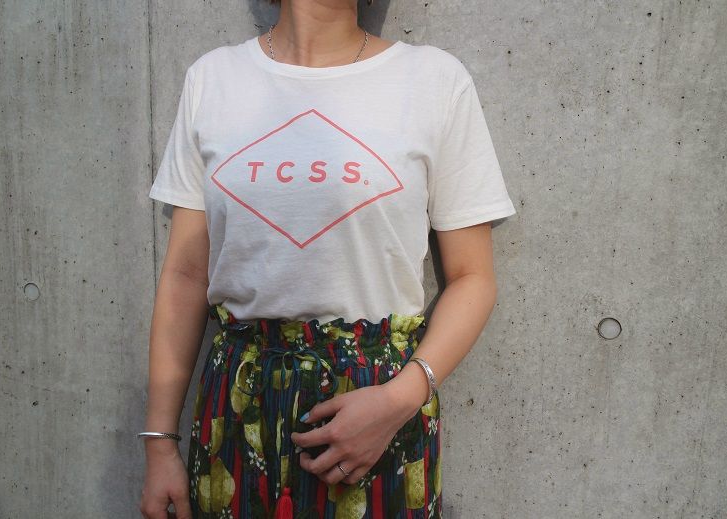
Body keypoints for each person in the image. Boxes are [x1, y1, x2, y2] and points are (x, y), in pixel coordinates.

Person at [139, 1, 517, 517]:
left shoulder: (433, 80)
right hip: (238, 403)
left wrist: (398, 400)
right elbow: (186, 275)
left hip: (379, 410)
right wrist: (159, 443)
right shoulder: (214, 79)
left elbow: (473, 278)